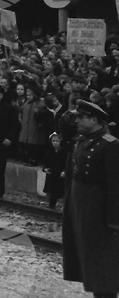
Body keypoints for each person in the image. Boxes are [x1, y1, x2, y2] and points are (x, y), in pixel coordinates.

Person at [62, 100, 119, 297]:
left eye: (81, 117)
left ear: (94, 120)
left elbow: (115, 185)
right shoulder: (80, 140)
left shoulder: (110, 145)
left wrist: (113, 219)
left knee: (102, 258)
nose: (76, 120)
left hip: (98, 207)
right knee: (88, 256)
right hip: (81, 204)